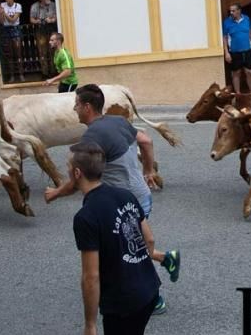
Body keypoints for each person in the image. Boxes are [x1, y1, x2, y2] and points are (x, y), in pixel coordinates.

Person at [45, 84, 180, 315]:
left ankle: (154, 297)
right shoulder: (118, 121)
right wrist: (148, 171)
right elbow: (146, 140)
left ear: (87, 107)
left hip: (122, 204)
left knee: (128, 252)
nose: (74, 108)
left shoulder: (91, 138)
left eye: (77, 104)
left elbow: (80, 179)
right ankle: (165, 259)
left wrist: (55, 193)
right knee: (131, 246)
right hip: (141, 197)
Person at [69, 140, 164, 335]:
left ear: (76, 173)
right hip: (149, 287)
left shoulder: (86, 217)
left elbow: (91, 277)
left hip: (124, 304)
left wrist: (90, 325)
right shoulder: (125, 195)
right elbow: (149, 238)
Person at [222, 3, 251, 93]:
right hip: (234, 52)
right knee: (236, 73)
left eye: (233, 11)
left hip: (247, 50)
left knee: (249, 72)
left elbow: (250, 32)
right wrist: (226, 52)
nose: (231, 12)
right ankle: (238, 94)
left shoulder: (246, 19)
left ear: (239, 11)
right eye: (230, 11)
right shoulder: (227, 22)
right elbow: (225, 37)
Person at [30, 0, 58, 76]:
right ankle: (45, 73)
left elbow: (57, 16)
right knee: (43, 52)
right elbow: (31, 19)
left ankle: (54, 71)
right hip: (40, 31)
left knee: (53, 51)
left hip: (52, 31)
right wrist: (38, 21)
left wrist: (52, 20)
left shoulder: (53, 5)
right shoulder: (34, 6)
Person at [0, 0, 24, 82]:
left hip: (15, 29)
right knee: (9, 55)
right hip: (6, 30)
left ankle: (21, 74)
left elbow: (13, 20)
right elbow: (1, 22)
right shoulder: (2, 5)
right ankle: (12, 76)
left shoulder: (18, 6)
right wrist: (1, 14)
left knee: (18, 53)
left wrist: (4, 13)